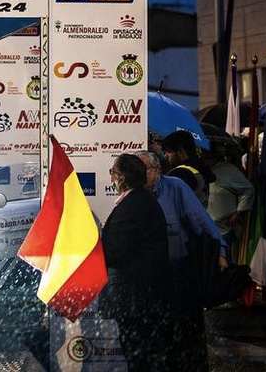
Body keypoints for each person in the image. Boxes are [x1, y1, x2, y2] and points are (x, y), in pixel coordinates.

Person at [135, 151, 228, 372]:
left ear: (156, 171)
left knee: (187, 338)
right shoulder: (134, 194)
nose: (137, 175)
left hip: (179, 275)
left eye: (142, 170)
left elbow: (203, 223)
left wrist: (221, 253)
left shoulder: (175, 188)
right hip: (150, 279)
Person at [100, 154, 173, 372]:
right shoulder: (142, 201)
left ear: (121, 178)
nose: (111, 178)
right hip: (144, 295)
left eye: (112, 173)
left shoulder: (131, 207)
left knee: (137, 354)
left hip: (136, 298)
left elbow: (115, 252)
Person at [203, 145, 254, 261]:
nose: (204, 157)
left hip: (223, 229)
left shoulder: (229, 171)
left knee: (224, 263)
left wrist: (239, 212)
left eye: (206, 154)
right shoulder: (203, 171)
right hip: (205, 229)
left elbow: (248, 189)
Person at [161, 130, 216, 207]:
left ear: (181, 151)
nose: (166, 156)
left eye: (169, 152)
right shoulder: (201, 168)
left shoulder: (180, 174)